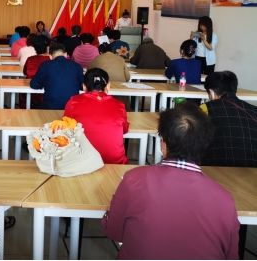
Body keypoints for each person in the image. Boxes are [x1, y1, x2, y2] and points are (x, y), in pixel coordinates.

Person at [102, 103, 239, 259]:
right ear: (203, 145)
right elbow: (232, 256)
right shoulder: (226, 200)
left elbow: (112, 231)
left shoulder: (133, 180)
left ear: (163, 142)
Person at [64, 68, 129, 164]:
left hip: (82, 162)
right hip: (115, 163)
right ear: (108, 86)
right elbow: (124, 130)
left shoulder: (73, 102)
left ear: (84, 87)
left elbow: (66, 129)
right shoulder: (120, 106)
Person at [201, 71, 257, 167]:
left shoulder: (206, 108)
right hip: (253, 170)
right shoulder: (254, 110)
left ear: (212, 92)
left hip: (214, 167)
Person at [30, 43, 84, 110]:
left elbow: (34, 85)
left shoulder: (45, 65)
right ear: (66, 54)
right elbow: (82, 86)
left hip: (50, 106)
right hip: (72, 107)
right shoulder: (77, 66)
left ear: (50, 56)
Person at [21, 35, 51, 108]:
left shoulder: (30, 59)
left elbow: (25, 72)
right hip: (47, 93)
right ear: (48, 48)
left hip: (30, 93)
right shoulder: (51, 60)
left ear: (35, 48)